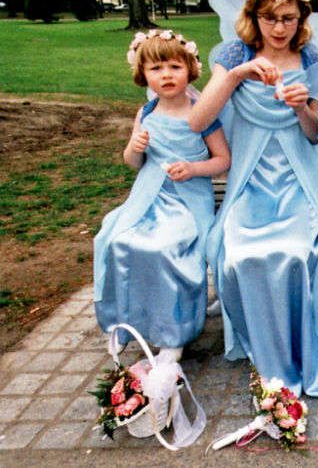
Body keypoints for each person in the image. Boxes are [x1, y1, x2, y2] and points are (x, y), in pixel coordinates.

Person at [188, 0, 318, 396]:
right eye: (269, 18)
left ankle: (298, 344)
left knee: (296, 252)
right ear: (252, 16)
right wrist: (235, 77)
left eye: (288, 18)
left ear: (301, 19)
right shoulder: (235, 55)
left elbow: (315, 137)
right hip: (251, 181)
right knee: (240, 254)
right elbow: (198, 119)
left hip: (299, 181)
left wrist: (301, 107)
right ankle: (263, 344)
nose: (278, 27)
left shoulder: (311, 59)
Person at [94, 30, 230, 360]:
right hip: (148, 198)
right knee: (115, 239)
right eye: (156, 69)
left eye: (173, 66)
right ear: (143, 75)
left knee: (166, 248)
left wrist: (194, 168)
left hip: (186, 201)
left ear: (190, 69)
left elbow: (223, 160)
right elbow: (133, 163)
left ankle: (173, 333)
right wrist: (133, 147)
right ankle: (126, 323)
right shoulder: (147, 112)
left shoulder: (201, 114)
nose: (166, 75)